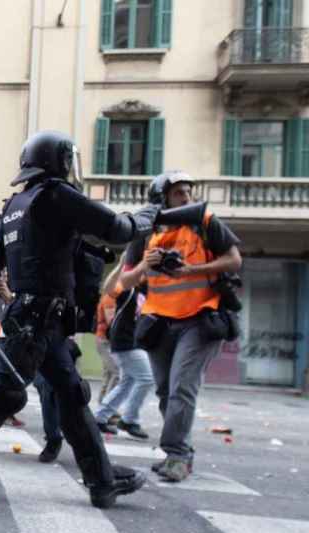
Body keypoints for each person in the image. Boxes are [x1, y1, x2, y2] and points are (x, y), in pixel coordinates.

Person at [0, 130, 159, 509]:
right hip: (39, 320)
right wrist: (149, 215)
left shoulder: (17, 203)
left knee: (70, 395)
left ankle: (101, 480)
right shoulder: (56, 194)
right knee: (8, 395)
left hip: (31, 317)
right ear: (62, 161)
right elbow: (117, 229)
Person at [118, 171, 241, 482]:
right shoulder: (145, 234)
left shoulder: (205, 222)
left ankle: (176, 455)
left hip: (201, 320)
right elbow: (124, 280)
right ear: (161, 198)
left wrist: (192, 269)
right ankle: (182, 451)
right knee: (164, 390)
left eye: (188, 192)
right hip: (159, 322)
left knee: (182, 388)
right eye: (178, 193)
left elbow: (234, 260)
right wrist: (146, 265)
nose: (186, 198)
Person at [94, 261, 153, 440]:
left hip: (133, 342)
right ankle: (129, 419)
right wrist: (121, 265)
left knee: (127, 382)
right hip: (123, 342)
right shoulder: (128, 290)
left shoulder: (145, 292)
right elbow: (108, 287)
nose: (148, 275)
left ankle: (100, 417)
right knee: (146, 378)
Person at [95, 290, 120, 402]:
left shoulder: (114, 298)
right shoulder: (110, 298)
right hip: (104, 340)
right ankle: (108, 405)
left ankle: (102, 403)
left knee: (109, 373)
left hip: (107, 340)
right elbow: (111, 320)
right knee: (116, 372)